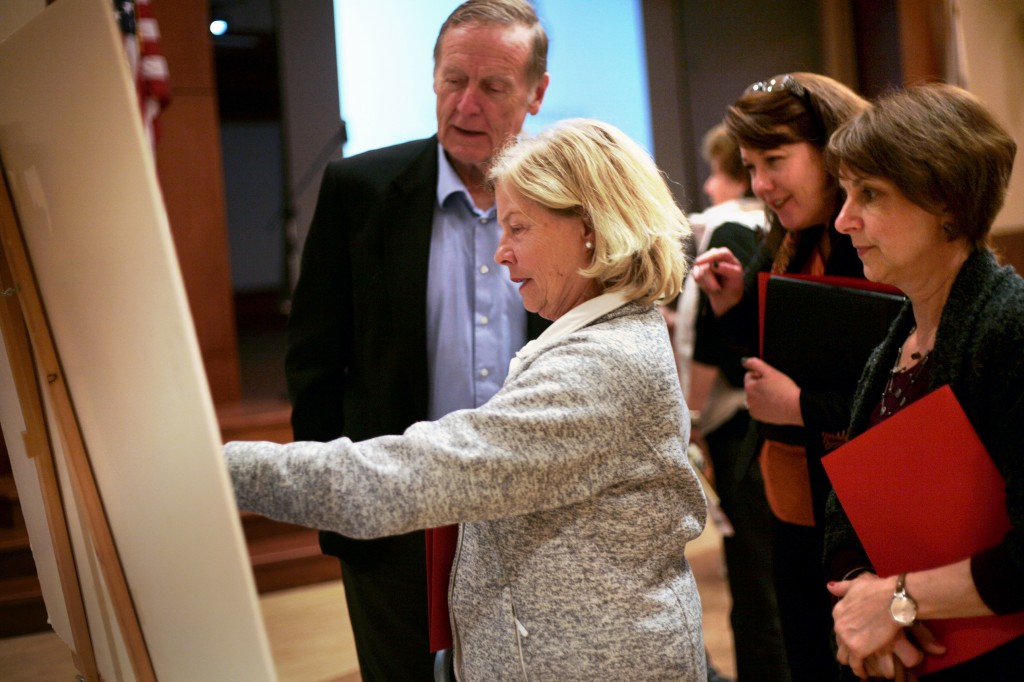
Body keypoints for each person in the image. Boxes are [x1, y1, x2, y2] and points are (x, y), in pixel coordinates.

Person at [227, 118, 708, 680]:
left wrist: (221, 472)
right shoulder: (603, 336)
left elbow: (406, 477)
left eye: (517, 228)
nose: (500, 253)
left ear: (591, 228)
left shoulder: (599, 368)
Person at [284, 2, 550, 679]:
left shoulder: (572, 205)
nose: (466, 104)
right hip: (396, 512)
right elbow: (314, 359)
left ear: (536, 93)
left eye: (493, 86)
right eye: (452, 80)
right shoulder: (359, 191)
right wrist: (332, 493)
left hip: (538, 519)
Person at [823, 83, 1021, 680]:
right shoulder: (897, 341)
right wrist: (864, 600)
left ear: (948, 207)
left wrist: (899, 601)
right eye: (845, 192)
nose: (843, 218)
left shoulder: (1009, 327)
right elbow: (847, 513)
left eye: (871, 194)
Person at [691, 73, 869, 682]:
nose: (761, 184)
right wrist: (737, 303)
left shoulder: (870, 240)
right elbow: (780, 356)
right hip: (792, 503)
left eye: (775, 161)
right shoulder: (787, 240)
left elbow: (901, 392)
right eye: (749, 166)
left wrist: (800, 406)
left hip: (860, 516)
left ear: (834, 149)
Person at [675, 123, 789, 681]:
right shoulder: (774, 226)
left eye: (718, 172)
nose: (709, 185)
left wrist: (691, 421)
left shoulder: (725, 224)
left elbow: (715, 340)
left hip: (741, 421)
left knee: (755, 579)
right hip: (769, 415)